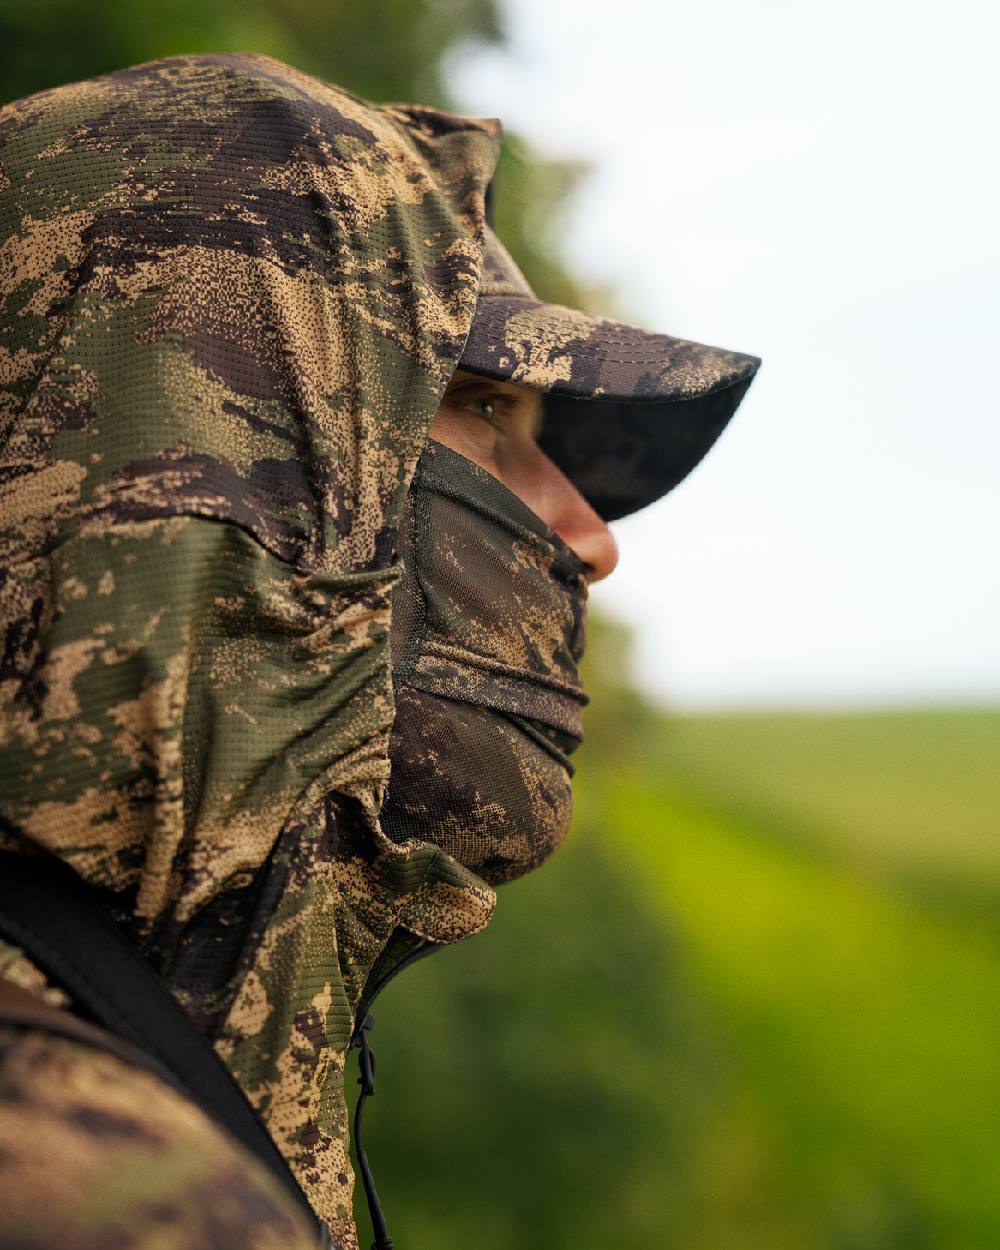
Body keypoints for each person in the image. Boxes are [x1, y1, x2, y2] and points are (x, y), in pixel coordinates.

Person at [0, 52, 759, 1250]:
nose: (590, 538)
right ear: (209, 429)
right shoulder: (91, 1188)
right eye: (485, 408)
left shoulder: (137, 1066)